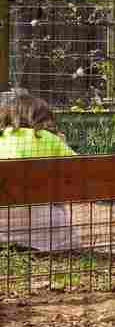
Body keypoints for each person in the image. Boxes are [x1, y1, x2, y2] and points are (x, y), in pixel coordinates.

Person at [0, 90, 79, 252]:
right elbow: (82, 168)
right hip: (46, 223)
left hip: (3, 222)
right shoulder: (48, 138)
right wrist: (61, 142)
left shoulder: (2, 137)